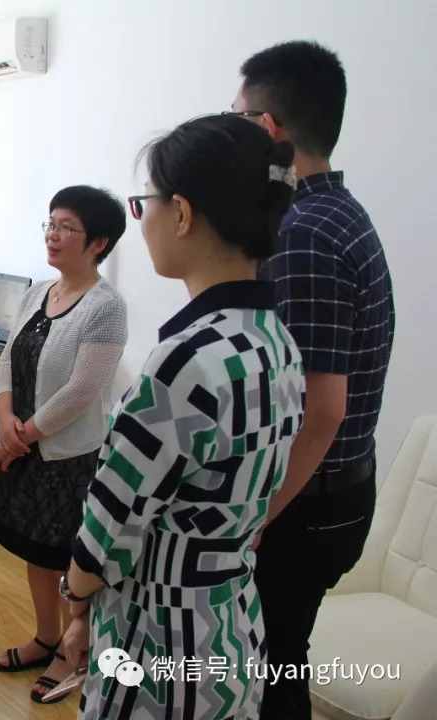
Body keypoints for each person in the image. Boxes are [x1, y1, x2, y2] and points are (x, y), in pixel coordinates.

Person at [62, 115, 306, 718]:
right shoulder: (276, 342)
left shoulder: (185, 362)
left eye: (144, 204)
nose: (140, 222)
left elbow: (109, 528)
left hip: (157, 639)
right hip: (230, 626)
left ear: (183, 214)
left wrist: (74, 601)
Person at [232, 41, 395, 719]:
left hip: (307, 505)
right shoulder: (339, 212)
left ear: (268, 130)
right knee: (279, 659)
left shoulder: (303, 231)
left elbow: (321, 408)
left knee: (271, 671)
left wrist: (255, 516)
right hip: (337, 491)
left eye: (235, 117)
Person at [0, 186, 128, 703]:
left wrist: (17, 437)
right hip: (24, 445)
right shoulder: (38, 292)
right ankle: (47, 636)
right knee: (34, 549)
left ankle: (77, 655)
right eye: (50, 223)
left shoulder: (107, 307)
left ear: (98, 242)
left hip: (68, 457)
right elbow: (7, 359)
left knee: (74, 559)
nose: (53, 234)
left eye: (67, 227)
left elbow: (82, 391)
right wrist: (5, 421)